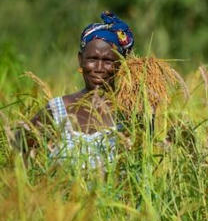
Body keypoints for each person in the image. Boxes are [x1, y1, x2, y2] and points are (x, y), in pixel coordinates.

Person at [19, 11, 135, 167]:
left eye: (108, 60)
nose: (99, 68)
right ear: (80, 60)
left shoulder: (129, 113)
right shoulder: (59, 109)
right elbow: (20, 147)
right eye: (92, 59)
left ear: (120, 65)